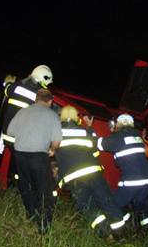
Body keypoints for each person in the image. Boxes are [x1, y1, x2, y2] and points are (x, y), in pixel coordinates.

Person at [54, 106, 127, 233]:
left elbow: (50, 152)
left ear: (61, 117)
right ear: (77, 118)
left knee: (86, 205)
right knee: (106, 200)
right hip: (94, 173)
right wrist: (89, 125)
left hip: (74, 177)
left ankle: (104, 231)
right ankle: (120, 233)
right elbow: (95, 152)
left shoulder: (55, 133)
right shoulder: (86, 132)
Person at [7, 89, 62, 232]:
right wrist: (53, 149)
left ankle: (32, 216)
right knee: (45, 190)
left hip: (20, 155)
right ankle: (44, 226)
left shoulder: (22, 112)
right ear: (50, 102)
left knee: (27, 187)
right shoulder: (52, 115)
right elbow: (56, 141)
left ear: (36, 99)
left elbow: (10, 131)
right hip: (39, 156)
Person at [96, 114, 148, 228]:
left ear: (119, 123)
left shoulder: (118, 136)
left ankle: (119, 232)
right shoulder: (137, 136)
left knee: (114, 204)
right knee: (142, 207)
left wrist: (112, 132)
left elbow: (99, 144)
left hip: (132, 180)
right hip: (147, 179)